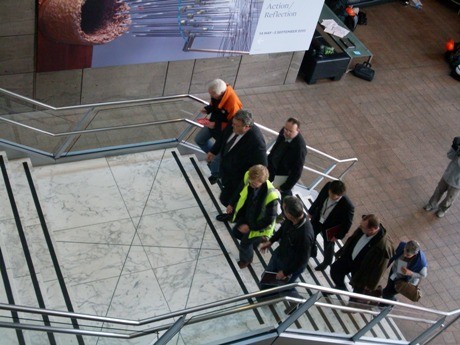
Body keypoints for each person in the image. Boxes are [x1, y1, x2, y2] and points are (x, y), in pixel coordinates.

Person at [208, 110, 267, 208]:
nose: (233, 126)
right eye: (233, 124)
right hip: (225, 170)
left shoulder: (256, 142)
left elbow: (262, 166)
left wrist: (253, 181)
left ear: (247, 127)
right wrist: (213, 151)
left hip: (237, 178)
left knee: (226, 199)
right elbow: (223, 136)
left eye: (237, 125)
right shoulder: (234, 121)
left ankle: (233, 214)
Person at [330, 214, 394, 303]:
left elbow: (380, 269)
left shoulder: (383, 247)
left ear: (372, 229)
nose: (360, 227)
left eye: (363, 226)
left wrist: (371, 285)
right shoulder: (362, 229)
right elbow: (352, 240)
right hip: (349, 259)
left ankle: (352, 305)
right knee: (335, 269)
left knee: (357, 291)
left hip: (362, 270)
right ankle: (340, 287)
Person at [260, 196, 315, 297]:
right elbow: (283, 229)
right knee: (267, 279)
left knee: (282, 286)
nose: (282, 210)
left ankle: (296, 300)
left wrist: (285, 272)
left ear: (289, 214)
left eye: (283, 209)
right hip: (280, 254)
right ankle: (263, 295)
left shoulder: (305, 236)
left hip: (290, 264)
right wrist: (271, 241)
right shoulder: (292, 220)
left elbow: (302, 260)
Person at [226, 165, 279, 269]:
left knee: (245, 243)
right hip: (248, 214)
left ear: (263, 181)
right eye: (250, 181)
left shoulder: (271, 196)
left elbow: (269, 219)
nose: (250, 184)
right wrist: (231, 203)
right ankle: (257, 240)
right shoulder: (248, 176)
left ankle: (246, 260)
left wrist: (250, 227)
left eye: (254, 184)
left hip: (260, 225)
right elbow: (239, 189)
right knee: (236, 232)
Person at [195, 79, 243, 184]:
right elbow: (214, 104)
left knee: (218, 154)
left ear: (221, 93)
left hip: (224, 132)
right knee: (199, 140)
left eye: (213, 94)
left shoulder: (233, 104)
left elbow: (233, 125)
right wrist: (208, 109)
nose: (211, 96)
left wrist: (215, 125)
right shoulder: (216, 94)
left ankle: (215, 173)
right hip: (213, 125)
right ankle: (213, 157)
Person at [308, 180, 354, 271]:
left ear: (340, 195)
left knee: (328, 247)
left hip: (330, 228)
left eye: (333, 196)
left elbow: (347, 224)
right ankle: (312, 251)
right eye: (330, 193)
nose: (330, 196)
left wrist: (338, 236)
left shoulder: (348, 206)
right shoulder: (328, 186)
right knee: (311, 235)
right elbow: (318, 199)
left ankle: (326, 263)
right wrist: (311, 212)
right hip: (318, 219)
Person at [267, 117, 307, 199]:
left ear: (298, 131)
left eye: (290, 131)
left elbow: (297, 172)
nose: (287, 132)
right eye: (286, 129)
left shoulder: (300, 148)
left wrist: (283, 187)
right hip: (271, 167)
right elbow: (276, 146)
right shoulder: (283, 131)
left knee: (280, 195)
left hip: (280, 176)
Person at [424, 136, 460, 218]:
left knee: (450, 198)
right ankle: (431, 204)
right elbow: (450, 156)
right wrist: (454, 147)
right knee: (438, 190)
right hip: (448, 175)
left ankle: (442, 210)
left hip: (457, 183)